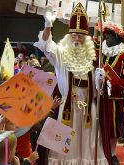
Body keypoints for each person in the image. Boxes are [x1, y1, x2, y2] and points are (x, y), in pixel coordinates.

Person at [34, 3, 108, 165]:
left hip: (88, 110)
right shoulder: (61, 54)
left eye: (80, 36)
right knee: (64, 149)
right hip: (67, 108)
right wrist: (48, 25)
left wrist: (100, 81)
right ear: (69, 36)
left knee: (88, 147)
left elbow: (99, 92)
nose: (77, 39)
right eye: (73, 35)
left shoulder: (93, 58)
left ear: (86, 38)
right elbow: (46, 45)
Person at [98, 21, 124, 164]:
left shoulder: (123, 57)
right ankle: (101, 151)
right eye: (105, 36)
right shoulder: (100, 53)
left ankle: (112, 153)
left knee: (112, 128)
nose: (106, 39)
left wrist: (113, 83)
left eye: (109, 36)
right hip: (99, 97)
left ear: (116, 38)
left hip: (114, 98)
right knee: (100, 126)